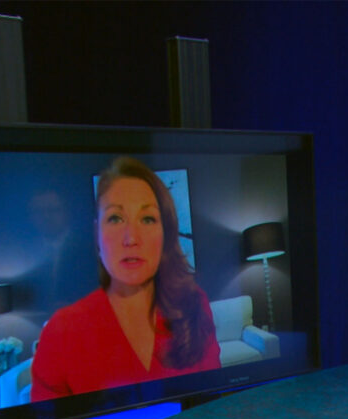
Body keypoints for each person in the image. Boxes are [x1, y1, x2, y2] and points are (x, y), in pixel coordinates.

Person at [31, 157, 221, 400]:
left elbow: (214, 406)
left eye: (147, 219)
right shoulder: (61, 332)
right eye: (116, 218)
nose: (131, 238)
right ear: (97, 235)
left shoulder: (194, 304)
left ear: (166, 235)